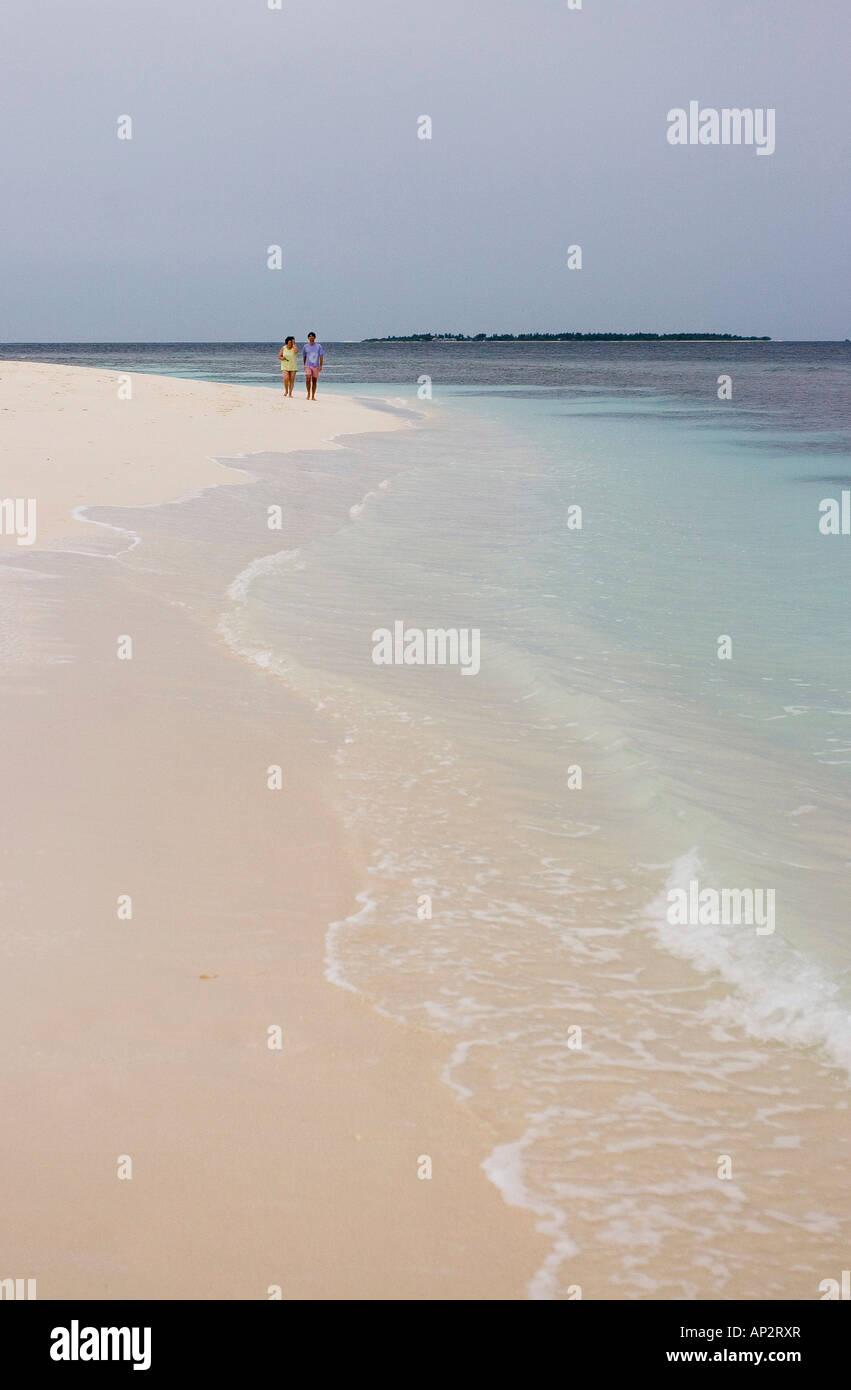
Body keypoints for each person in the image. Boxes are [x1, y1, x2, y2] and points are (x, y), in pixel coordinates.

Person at [302, 332, 324, 399]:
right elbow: (304, 356)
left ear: (314, 337)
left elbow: (321, 356)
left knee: (314, 381)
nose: (311, 337)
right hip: (308, 365)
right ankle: (308, 394)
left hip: (315, 366)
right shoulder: (305, 346)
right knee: (308, 378)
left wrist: (320, 365)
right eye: (310, 336)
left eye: (312, 336)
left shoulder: (319, 346)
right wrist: (304, 365)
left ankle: (313, 396)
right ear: (308, 338)